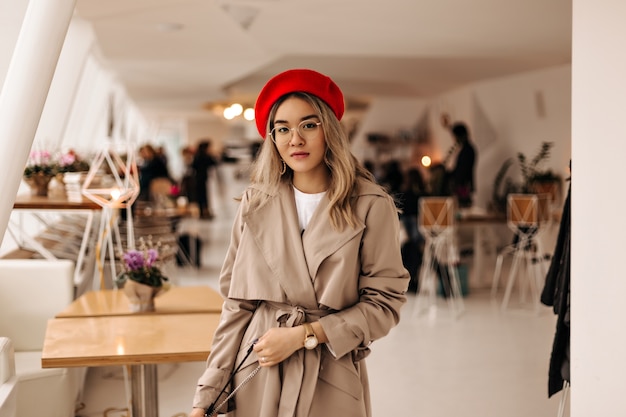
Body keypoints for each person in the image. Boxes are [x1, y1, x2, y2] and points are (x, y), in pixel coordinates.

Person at [190, 69, 409, 417]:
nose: (295, 139)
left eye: (308, 125)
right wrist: (206, 395)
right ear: (272, 138)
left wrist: (305, 335)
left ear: (330, 129)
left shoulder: (370, 204)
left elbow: (385, 304)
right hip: (259, 368)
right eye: (282, 128)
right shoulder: (255, 202)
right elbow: (236, 306)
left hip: (330, 370)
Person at [448, 122, 476, 207]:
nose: (455, 139)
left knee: (463, 208)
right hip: (463, 185)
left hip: (463, 186)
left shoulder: (467, 150)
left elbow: (462, 170)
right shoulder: (466, 149)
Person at [192, 139, 218, 219]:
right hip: (203, 178)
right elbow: (214, 163)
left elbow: (193, 166)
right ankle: (206, 212)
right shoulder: (205, 156)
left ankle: (201, 213)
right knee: (204, 196)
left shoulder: (197, 156)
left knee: (200, 196)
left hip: (197, 178)